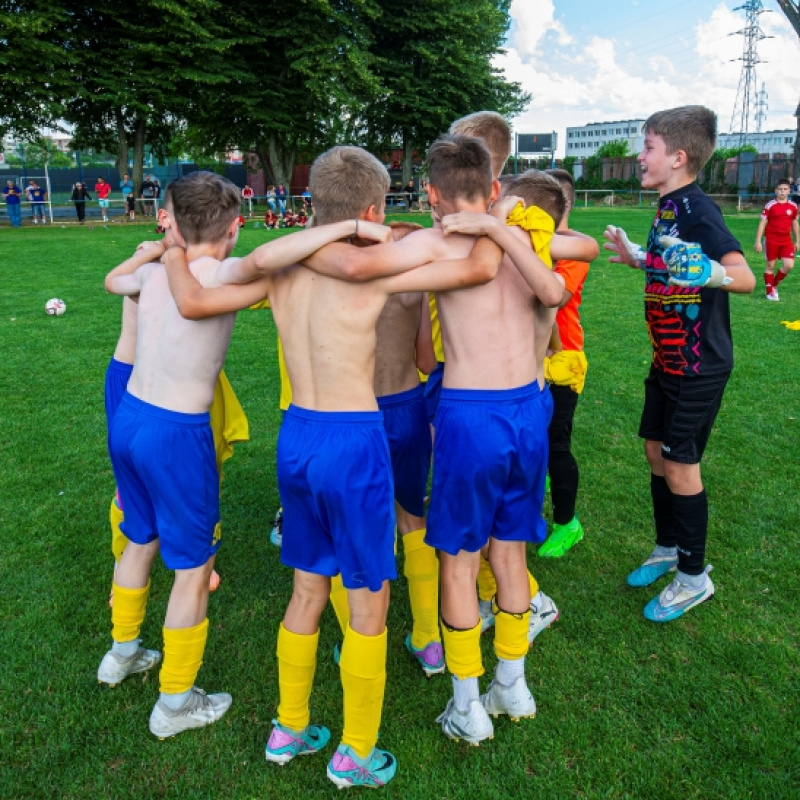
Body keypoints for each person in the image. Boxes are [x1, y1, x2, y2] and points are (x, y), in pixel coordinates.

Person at [165, 144, 507, 787]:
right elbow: (479, 269)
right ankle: (354, 751)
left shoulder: (280, 265)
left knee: (306, 588)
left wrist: (175, 248)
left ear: (314, 204)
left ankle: (289, 726)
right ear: (374, 207)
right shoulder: (374, 265)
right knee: (369, 596)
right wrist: (494, 219)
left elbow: (209, 289)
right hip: (354, 439)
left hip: (298, 436)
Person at [98, 170, 387, 740]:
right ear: (234, 226)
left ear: (175, 222)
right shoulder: (226, 270)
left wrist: (162, 249)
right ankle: (175, 701)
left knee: (140, 537)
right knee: (193, 566)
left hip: (128, 417)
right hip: (176, 433)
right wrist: (348, 227)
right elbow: (269, 268)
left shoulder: (154, 271)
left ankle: (122, 652)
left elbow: (113, 282)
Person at [603, 105, 755, 622]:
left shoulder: (697, 209)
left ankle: (694, 578)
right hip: (665, 359)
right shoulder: (667, 207)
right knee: (653, 450)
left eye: (647, 147)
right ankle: (668, 547)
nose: (638, 156)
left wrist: (710, 271)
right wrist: (639, 260)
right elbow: (675, 262)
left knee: (680, 462)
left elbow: (744, 276)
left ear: (678, 156)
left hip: (698, 364)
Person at [537, 167, 590, 558]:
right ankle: (536, 510)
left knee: (556, 445)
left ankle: (568, 524)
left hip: (565, 357)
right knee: (534, 442)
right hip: (535, 355)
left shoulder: (571, 247)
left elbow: (554, 297)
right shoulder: (539, 242)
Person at [754, 178, 798, 301]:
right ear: (776, 191)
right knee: (770, 266)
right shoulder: (770, 205)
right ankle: (769, 292)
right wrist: (758, 241)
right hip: (771, 240)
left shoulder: (793, 206)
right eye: (780, 189)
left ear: (789, 191)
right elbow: (762, 223)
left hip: (786, 241)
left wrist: (797, 241)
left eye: (785, 189)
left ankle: (773, 285)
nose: (782, 192)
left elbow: (795, 223)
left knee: (788, 265)